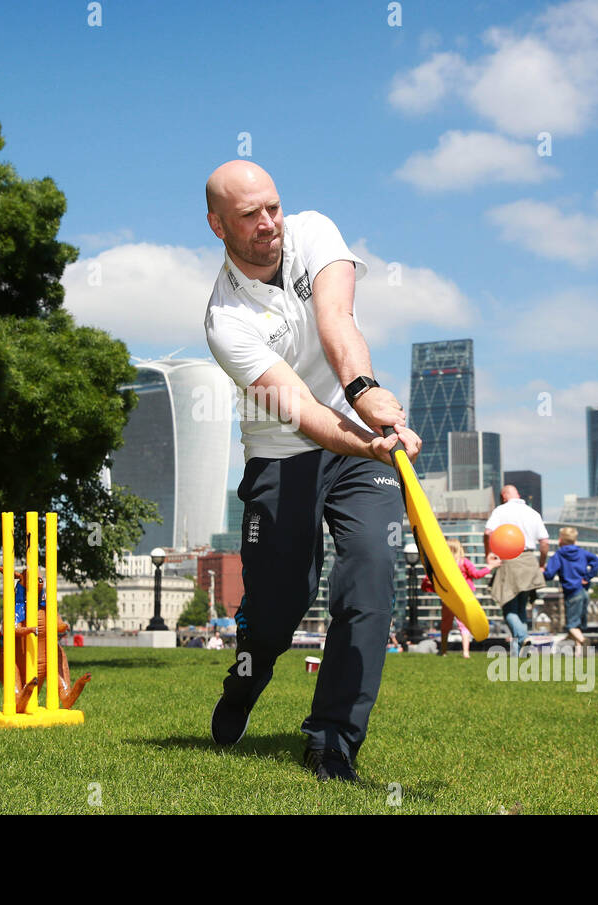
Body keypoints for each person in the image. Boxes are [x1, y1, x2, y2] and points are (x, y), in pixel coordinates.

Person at [202, 160, 421, 783]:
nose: (269, 223)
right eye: (249, 215)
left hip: (360, 435)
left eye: (272, 206)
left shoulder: (314, 231)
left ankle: (333, 739)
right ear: (218, 225)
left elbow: (337, 323)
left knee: (373, 572)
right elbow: (299, 409)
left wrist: (365, 391)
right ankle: (246, 679)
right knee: (278, 608)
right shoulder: (226, 321)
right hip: (284, 451)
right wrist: (366, 437)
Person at [485, 485, 550, 653]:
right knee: (521, 609)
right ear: (518, 494)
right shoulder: (533, 512)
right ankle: (519, 652)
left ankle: (522, 637)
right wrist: (541, 564)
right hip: (529, 561)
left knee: (508, 607)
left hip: (510, 560)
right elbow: (544, 542)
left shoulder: (501, 510)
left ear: (504, 496)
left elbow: (488, 532)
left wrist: (489, 554)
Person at [427, 539, 499, 658]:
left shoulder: (443, 564)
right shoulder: (464, 562)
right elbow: (476, 574)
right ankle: (466, 652)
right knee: (464, 625)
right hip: (464, 598)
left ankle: (443, 651)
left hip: (449, 598)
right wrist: (490, 567)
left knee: (445, 624)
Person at [543, 526, 598, 649]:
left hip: (571, 592)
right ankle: (579, 653)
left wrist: (541, 572)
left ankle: (583, 640)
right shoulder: (582, 553)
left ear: (560, 541)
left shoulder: (558, 555)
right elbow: (596, 561)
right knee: (578, 625)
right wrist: (588, 577)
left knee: (571, 625)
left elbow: (549, 575)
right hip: (584, 591)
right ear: (575, 540)